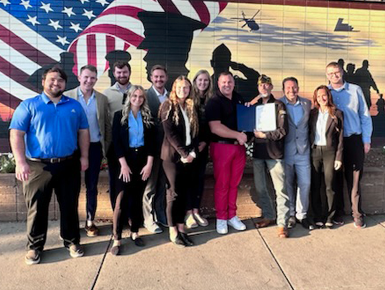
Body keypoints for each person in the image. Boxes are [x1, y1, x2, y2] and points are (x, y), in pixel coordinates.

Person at [9, 66, 90, 265]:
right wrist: (20, 162)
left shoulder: (74, 106)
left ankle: (71, 241)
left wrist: (84, 157)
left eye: (61, 80)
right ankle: (34, 247)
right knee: (37, 208)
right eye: (52, 80)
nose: (56, 83)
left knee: (70, 205)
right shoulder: (29, 105)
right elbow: (16, 134)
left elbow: (83, 132)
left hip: (68, 164)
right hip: (37, 166)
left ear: (65, 84)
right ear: (44, 82)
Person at [65, 65, 112, 237]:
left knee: (91, 186)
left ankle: (90, 221)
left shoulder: (101, 98)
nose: (89, 80)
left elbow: (106, 125)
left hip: (94, 148)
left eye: (92, 78)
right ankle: (71, 223)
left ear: (96, 79)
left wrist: (105, 148)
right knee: (72, 187)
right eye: (86, 77)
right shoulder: (67, 96)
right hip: (72, 149)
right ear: (79, 77)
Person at [326, 62, 373, 228]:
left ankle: (357, 214)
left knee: (354, 180)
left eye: (336, 72)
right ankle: (338, 213)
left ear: (342, 72)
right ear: (327, 76)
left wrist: (366, 140)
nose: (334, 76)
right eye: (330, 73)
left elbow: (365, 116)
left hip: (353, 140)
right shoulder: (325, 93)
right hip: (333, 142)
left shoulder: (355, 90)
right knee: (335, 178)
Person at [110, 85, 155, 255]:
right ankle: (117, 238)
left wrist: (149, 164)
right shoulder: (119, 116)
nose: (137, 99)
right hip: (124, 162)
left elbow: (151, 142)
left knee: (137, 198)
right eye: (134, 96)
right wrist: (123, 165)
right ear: (129, 97)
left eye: (141, 96)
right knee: (121, 200)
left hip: (142, 161)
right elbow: (116, 142)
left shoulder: (147, 117)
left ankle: (135, 233)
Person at [247, 75, 290, 238]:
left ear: (271, 87)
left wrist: (265, 136)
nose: (264, 88)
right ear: (258, 88)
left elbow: (283, 131)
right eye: (261, 86)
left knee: (281, 190)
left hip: (274, 153)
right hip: (258, 153)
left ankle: (282, 223)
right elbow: (248, 127)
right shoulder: (255, 106)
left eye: (266, 85)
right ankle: (269, 215)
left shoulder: (279, 105)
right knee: (261, 188)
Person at [205, 71, 247, 235]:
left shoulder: (239, 98)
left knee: (234, 184)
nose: (227, 85)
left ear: (233, 83)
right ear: (218, 84)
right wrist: (237, 135)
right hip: (222, 147)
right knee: (222, 184)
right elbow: (215, 127)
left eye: (229, 82)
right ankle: (221, 218)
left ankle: (232, 215)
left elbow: (245, 119)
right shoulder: (214, 102)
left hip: (239, 148)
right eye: (223, 82)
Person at [159, 76, 198, 247]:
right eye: (181, 87)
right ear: (175, 88)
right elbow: (170, 134)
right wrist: (184, 153)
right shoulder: (168, 105)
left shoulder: (190, 107)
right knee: (173, 194)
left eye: (187, 87)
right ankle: (172, 230)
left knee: (183, 192)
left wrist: (193, 153)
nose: (184, 90)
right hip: (172, 158)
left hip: (188, 157)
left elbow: (196, 131)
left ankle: (181, 228)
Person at [280, 77, 314, 230]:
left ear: (298, 88)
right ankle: (291, 214)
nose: (291, 90)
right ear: (283, 89)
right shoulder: (278, 104)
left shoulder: (307, 103)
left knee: (305, 183)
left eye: (294, 87)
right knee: (288, 184)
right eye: (288, 87)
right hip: (286, 150)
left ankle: (302, 214)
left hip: (303, 150)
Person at [309, 85, 344, 228]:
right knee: (315, 185)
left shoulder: (337, 113)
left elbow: (341, 137)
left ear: (328, 95)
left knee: (330, 185)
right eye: (318, 96)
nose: (321, 98)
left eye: (324, 95)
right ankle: (317, 215)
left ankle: (330, 216)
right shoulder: (313, 113)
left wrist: (339, 157)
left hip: (330, 152)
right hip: (315, 151)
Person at [184, 69, 213, 229]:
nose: (203, 83)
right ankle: (188, 213)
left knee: (199, 180)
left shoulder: (211, 100)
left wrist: (205, 142)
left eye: (206, 81)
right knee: (189, 179)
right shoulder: (188, 99)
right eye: (200, 80)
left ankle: (196, 211)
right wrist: (194, 145)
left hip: (203, 147)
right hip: (190, 148)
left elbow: (212, 125)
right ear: (194, 82)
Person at [142, 65, 169, 234]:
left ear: (166, 78)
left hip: (167, 149)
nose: (159, 79)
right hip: (151, 148)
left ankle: (160, 214)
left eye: (162, 77)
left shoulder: (171, 96)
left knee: (162, 184)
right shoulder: (145, 96)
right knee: (149, 186)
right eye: (156, 76)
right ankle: (148, 218)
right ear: (151, 78)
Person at [103, 61, 132, 209]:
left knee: (131, 180)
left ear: (129, 72)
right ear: (114, 74)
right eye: (119, 72)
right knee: (115, 180)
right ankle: (117, 212)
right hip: (114, 144)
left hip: (133, 144)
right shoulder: (106, 94)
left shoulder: (136, 91)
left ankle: (130, 215)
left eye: (124, 72)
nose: (122, 75)